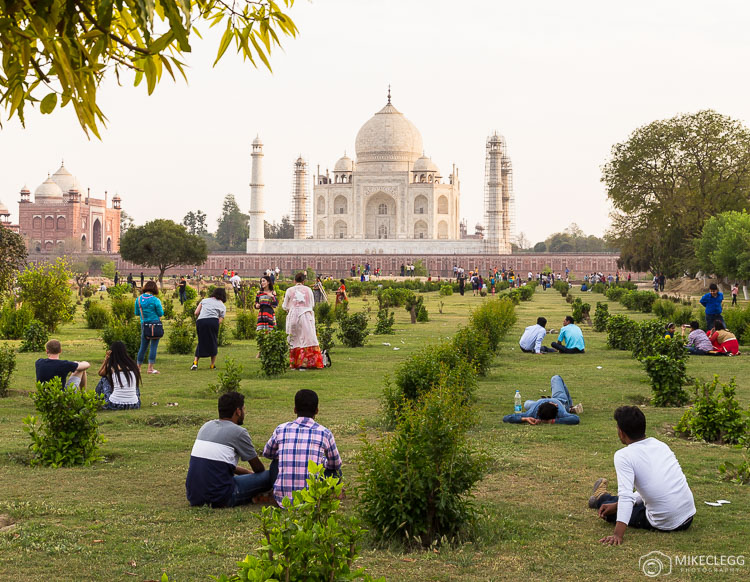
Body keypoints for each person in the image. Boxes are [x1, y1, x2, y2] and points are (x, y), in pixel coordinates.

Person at [589, 406, 696, 545]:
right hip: (688, 516)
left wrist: (617, 534)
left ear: (621, 432)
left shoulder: (624, 455)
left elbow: (626, 496)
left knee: (610, 512)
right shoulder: (661, 445)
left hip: (665, 522)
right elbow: (655, 485)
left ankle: (600, 498)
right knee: (620, 504)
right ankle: (608, 500)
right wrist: (618, 504)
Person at [186, 391, 277, 508]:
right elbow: (258, 468)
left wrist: (248, 474)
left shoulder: (206, 426)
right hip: (221, 497)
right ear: (238, 411)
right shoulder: (239, 432)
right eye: (244, 409)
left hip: (194, 496)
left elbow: (217, 463)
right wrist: (252, 475)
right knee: (270, 474)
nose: (244, 412)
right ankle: (274, 495)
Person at [263, 389, 342, 506]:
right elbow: (335, 464)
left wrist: (285, 455)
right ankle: (326, 494)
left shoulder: (281, 429)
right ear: (317, 411)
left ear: (295, 409)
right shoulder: (325, 433)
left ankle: (279, 493)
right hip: (312, 498)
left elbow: (267, 453)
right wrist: (322, 462)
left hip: (283, 501)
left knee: (275, 463)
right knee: (337, 472)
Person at [283, 272, 324, 369]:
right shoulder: (308, 290)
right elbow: (312, 304)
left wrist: (291, 308)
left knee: (294, 339)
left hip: (293, 316)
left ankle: (294, 364)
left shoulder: (289, 290)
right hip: (305, 315)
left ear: (294, 281)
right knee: (307, 339)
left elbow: (285, 306)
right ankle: (305, 363)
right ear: (304, 281)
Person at [503, 375, 582, 424]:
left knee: (526, 403)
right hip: (559, 400)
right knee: (556, 378)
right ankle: (570, 407)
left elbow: (506, 418)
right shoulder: (560, 411)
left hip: (538, 403)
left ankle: (569, 407)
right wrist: (553, 422)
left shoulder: (531, 413)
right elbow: (575, 419)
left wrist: (525, 418)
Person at [96, 341, 142, 410]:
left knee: (104, 379)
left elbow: (100, 373)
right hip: (134, 404)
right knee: (134, 384)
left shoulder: (112, 367)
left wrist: (106, 360)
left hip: (115, 404)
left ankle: (96, 400)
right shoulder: (133, 366)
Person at [191, 287, 227, 370]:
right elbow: (220, 320)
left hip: (201, 321)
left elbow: (196, 312)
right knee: (213, 341)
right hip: (213, 322)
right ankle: (212, 365)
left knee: (201, 341)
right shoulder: (222, 305)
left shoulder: (204, 301)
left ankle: (195, 363)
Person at [134, 280, 164, 375]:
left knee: (143, 347)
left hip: (144, 324)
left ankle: (138, 368)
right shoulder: (155, 300)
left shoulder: (138, 300)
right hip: (155, 324)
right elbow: (160, 313)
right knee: (153, 347)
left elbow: (137, 313)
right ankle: (150, 368)